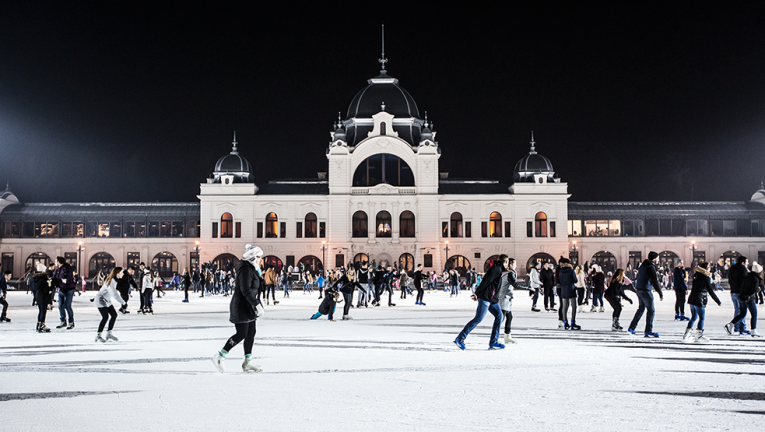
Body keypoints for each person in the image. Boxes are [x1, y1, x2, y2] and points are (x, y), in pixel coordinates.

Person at [212, 245, 264, 373]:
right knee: (241, 333)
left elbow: (254, 289)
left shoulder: (252, 269)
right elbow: (245, 290)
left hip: (249, 306)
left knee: (251, 333)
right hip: (241, 306)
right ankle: (220, 356)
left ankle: (248, 362)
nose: (261, 260)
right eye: (259, 257)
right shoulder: (245, 269)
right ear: (253, 257)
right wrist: (256, 304)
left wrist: (257, 304)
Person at [454, 254, 508, 350]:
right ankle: (460, 338)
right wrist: (477, 293)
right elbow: (486, 281)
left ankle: (493, 342)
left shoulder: (499, 269)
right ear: (506, 262)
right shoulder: (496, 269)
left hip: (492, 299)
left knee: (499, 316)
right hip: (486, 298)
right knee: (478, 318)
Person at [682, 262, 722, 342]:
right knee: (702, 318)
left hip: (692, 298)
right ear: (707, 268)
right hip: (699, 299)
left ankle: (686, 334)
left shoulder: (696, 275)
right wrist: (718, 301)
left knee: (693, 317)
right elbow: (710, 290)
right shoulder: (706, 277)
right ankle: (699, 335)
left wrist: (713, 282)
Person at [628, 251, 664, 338]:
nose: (658, 260)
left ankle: (632, 327)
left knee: (641, 309)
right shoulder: (651, 267)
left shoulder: (642, 266)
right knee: (651, 311)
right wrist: (660, 292)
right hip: (646, 290)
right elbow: (654, 281)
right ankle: (648, 330)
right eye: (658, 258)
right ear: (654, 259)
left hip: (639, 289)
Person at [725, 261, 762, 338]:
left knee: (742, 313)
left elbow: (742, 286)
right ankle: (753, 330)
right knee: (754, 314)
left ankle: (731, 324)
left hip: (742, 297)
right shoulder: (755, 278)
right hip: (749, 298)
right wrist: (758, 289)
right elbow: (754, 289)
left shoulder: (747, 276)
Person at [94, 267, 128, 343]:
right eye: (122, 272)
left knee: (114, 315)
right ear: (117, 273)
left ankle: (109, 333)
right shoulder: (112, 280)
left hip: (106, 300)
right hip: (101, 300)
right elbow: (114, 294)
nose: (123, 274)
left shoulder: (114, 280)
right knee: (105, 317)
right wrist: (123, 302)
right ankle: (98, 335)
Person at [727, 256, 749, 335]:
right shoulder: (743, 269)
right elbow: (745, 280)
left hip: (733, 291)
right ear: (743, 263)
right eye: (747, 262)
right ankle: (741, 328)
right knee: (742, 311)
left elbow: (729, 279)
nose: (748, 263)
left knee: (737, 309)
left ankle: (736, 327)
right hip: (740, 292)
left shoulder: (732, 268)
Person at [497, 258, 518, 343]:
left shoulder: (506, 273)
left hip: (506, 297)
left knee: (509, 317)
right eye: (515, 264)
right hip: (504, 298)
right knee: (501, 318)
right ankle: (495, 337)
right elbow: (515, 285)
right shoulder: (510, 274)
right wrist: (529, 288)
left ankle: (507, 336)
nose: (516, 265)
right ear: (511, 265)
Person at [53, 256, 76, 329]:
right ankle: (63, 321)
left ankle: (71, 322)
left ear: (59, 262)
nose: (55, 262)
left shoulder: (67, 269)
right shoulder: (57, 270)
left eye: (56, 261)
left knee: (67, 306)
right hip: (61, 289)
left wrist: (58, 282)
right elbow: (54, 278)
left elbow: (65, 279)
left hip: (68, 289)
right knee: (60, 306)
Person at [558, 258, 580, 330]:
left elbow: (560, 280)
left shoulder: (561, 271)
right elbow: (575, 280)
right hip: (571, 288)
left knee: (565, 307)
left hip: (563, 289)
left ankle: (565, 322)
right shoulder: (571, 271)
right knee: (574, 306)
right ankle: (573, 322)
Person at [33, 263, 52, 332]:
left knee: (41, 310)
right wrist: (50, 287)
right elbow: (45, 289)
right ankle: (42, 325)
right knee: (43, 311)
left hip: (38, 296)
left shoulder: (36, 278)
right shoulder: (44, 278)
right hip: (43, 296)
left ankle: (38, 324)